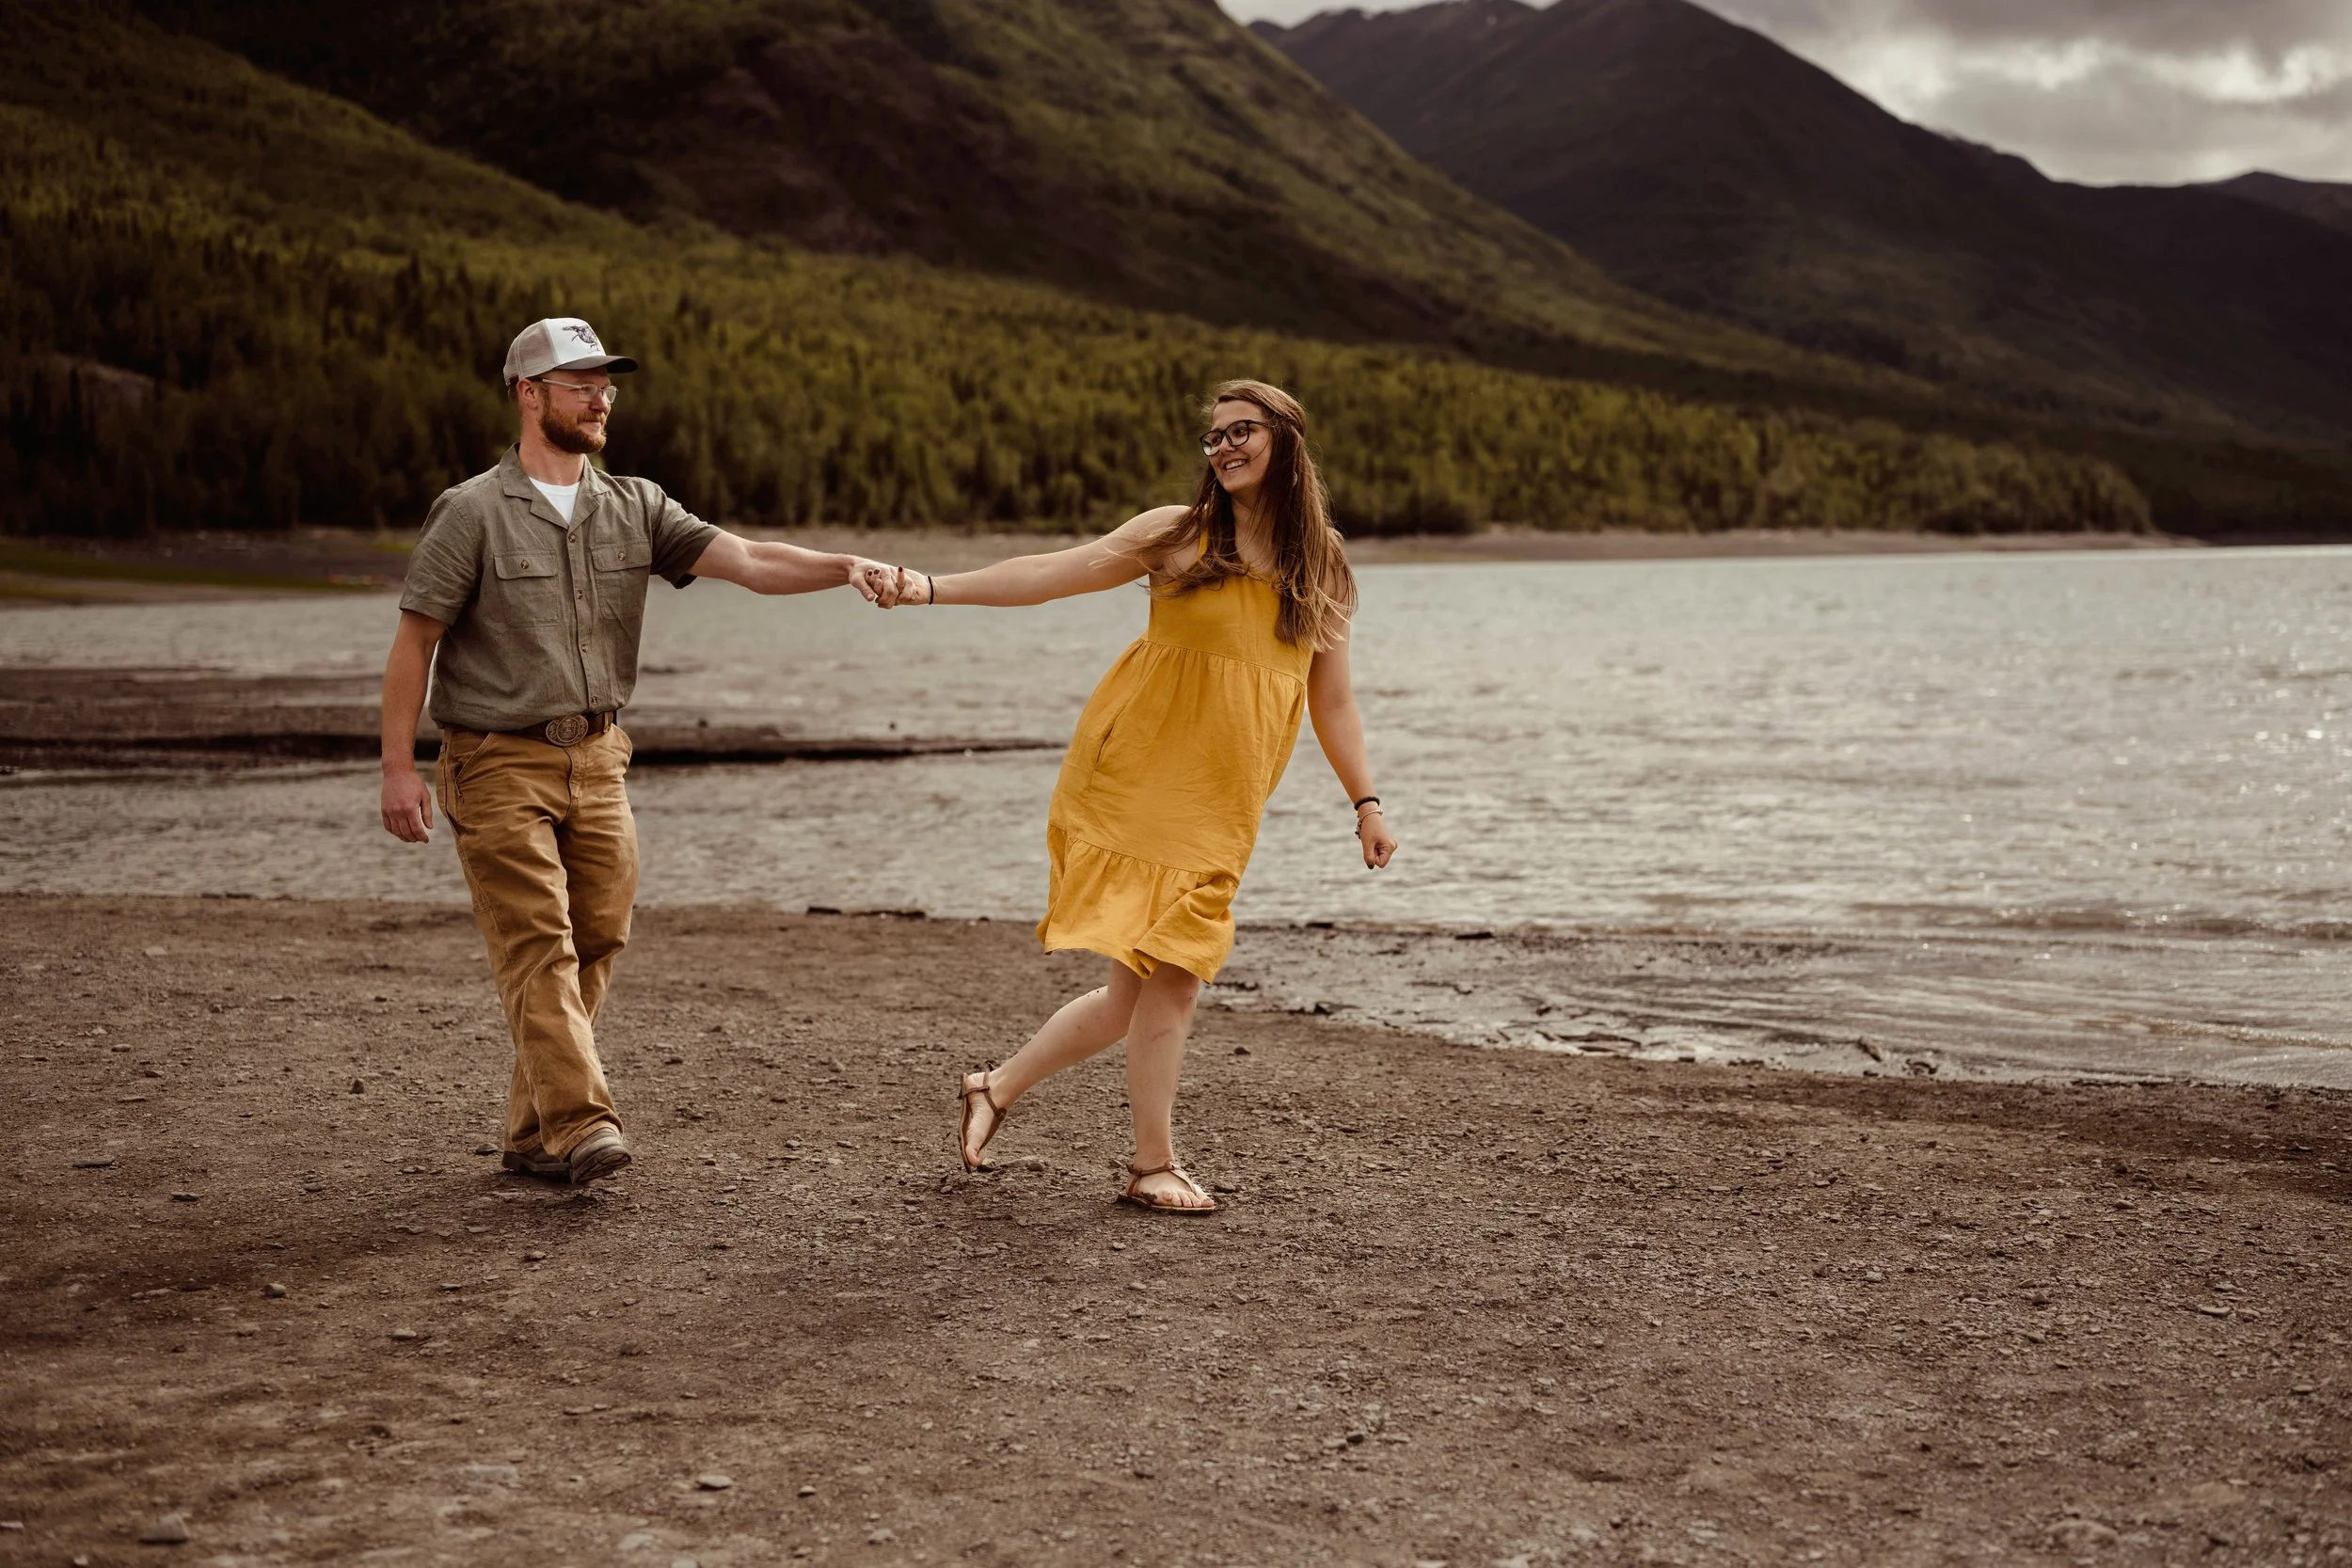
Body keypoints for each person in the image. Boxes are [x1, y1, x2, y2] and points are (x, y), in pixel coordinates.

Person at [377, 317, 901, 1185]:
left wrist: (842, 564)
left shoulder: (637, 505)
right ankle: (583, 1124)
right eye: (578, 382)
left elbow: (753, 560)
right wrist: (399, 766)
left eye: (604, 382)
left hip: (599, 756)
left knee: (598, 935)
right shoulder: (471, 512)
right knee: (537, 942)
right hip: (495, 760)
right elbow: (414, 642)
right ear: (528, 394)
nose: (599, 396)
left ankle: (531, 1129)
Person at [893, 379, 1397, 1212]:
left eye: (1243, 430)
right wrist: (931, 587)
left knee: (1135, 991)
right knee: (1178, 975)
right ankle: (1150, 1163)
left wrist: (1367, 804)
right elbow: (1051, 574)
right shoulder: (1179, 533)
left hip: (1225, 797)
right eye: (1214, 436)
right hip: (1141, 776)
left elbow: (1331, 698)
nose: (1225, 447)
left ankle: (995, 1084)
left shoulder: (1323, 562)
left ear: (1287, 441)